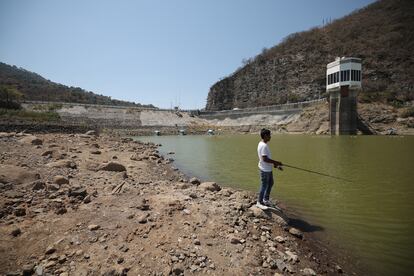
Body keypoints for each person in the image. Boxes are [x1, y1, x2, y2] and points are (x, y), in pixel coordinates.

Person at [256, 128, 282, 209]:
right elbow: (265, 159)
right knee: (264, 186)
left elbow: (266, 158)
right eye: (269, 135)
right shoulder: (264, 146)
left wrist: (276, 165)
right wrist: (276, 162)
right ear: (265, 136)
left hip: (267, 169)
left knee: (270, 183)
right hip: (265, 170)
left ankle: (266, 199)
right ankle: (259, 202)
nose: (270, 137)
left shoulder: (261, 143)